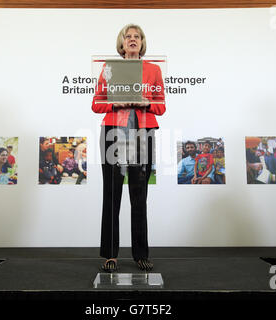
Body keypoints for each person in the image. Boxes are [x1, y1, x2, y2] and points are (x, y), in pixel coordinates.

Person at [92, 24, 166, 272]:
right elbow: (96, 103)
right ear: (122, 43)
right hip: (113, 131)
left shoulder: (153, 70)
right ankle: (110, 254)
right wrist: (115, 104)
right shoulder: (109, 68)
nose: (132, 40)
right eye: (128, 36)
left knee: (139, 194)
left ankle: (140, 254)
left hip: (142, 132)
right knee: (111, 195)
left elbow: (161, 105)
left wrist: (146, 103)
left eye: (137, 37)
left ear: (142, 43)